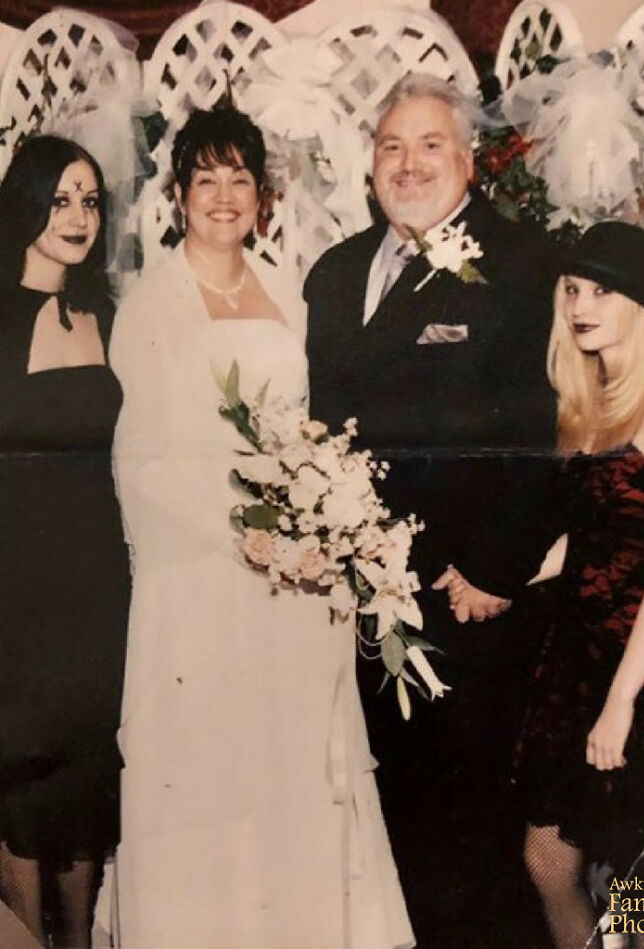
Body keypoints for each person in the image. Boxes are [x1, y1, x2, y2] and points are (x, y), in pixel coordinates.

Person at [111, 106, 414, 949]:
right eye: (205, 179)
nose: (223, 196)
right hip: (203, 580)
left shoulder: (287, 288)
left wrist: (321, 521)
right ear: (178, 195)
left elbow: (305, 428)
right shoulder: (150, 305)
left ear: (262, 196)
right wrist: (246, 531)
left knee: (290, 762)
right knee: (213, 769)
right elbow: (142, 463)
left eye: (239, 179)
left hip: (296, 579)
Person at [305, 73, 558, 945]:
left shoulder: (521, 263)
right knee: (396, 831)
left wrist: (495, 565)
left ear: (470, 159)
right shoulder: (335, 274)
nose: (407, 165)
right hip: (361, 607)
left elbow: (549, 427)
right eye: (391, 146)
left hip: (466, 601)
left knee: (478, 841)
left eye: (429, 145)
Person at [447, 222, 644, 948]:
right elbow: (592, 535)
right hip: (575, 659)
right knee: (549, 859)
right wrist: (494, 579)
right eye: (572, 289)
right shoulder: (591, 399)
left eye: (602, 292)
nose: (581, 306)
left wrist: (622, 702)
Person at [0, 135, 130, 948]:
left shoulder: (105, 316)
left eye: (89, 201)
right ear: (26, 204)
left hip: (96, 577)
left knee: (85, 767)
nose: (78, 217)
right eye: (59, 200)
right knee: (20, 770)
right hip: (16, 581)